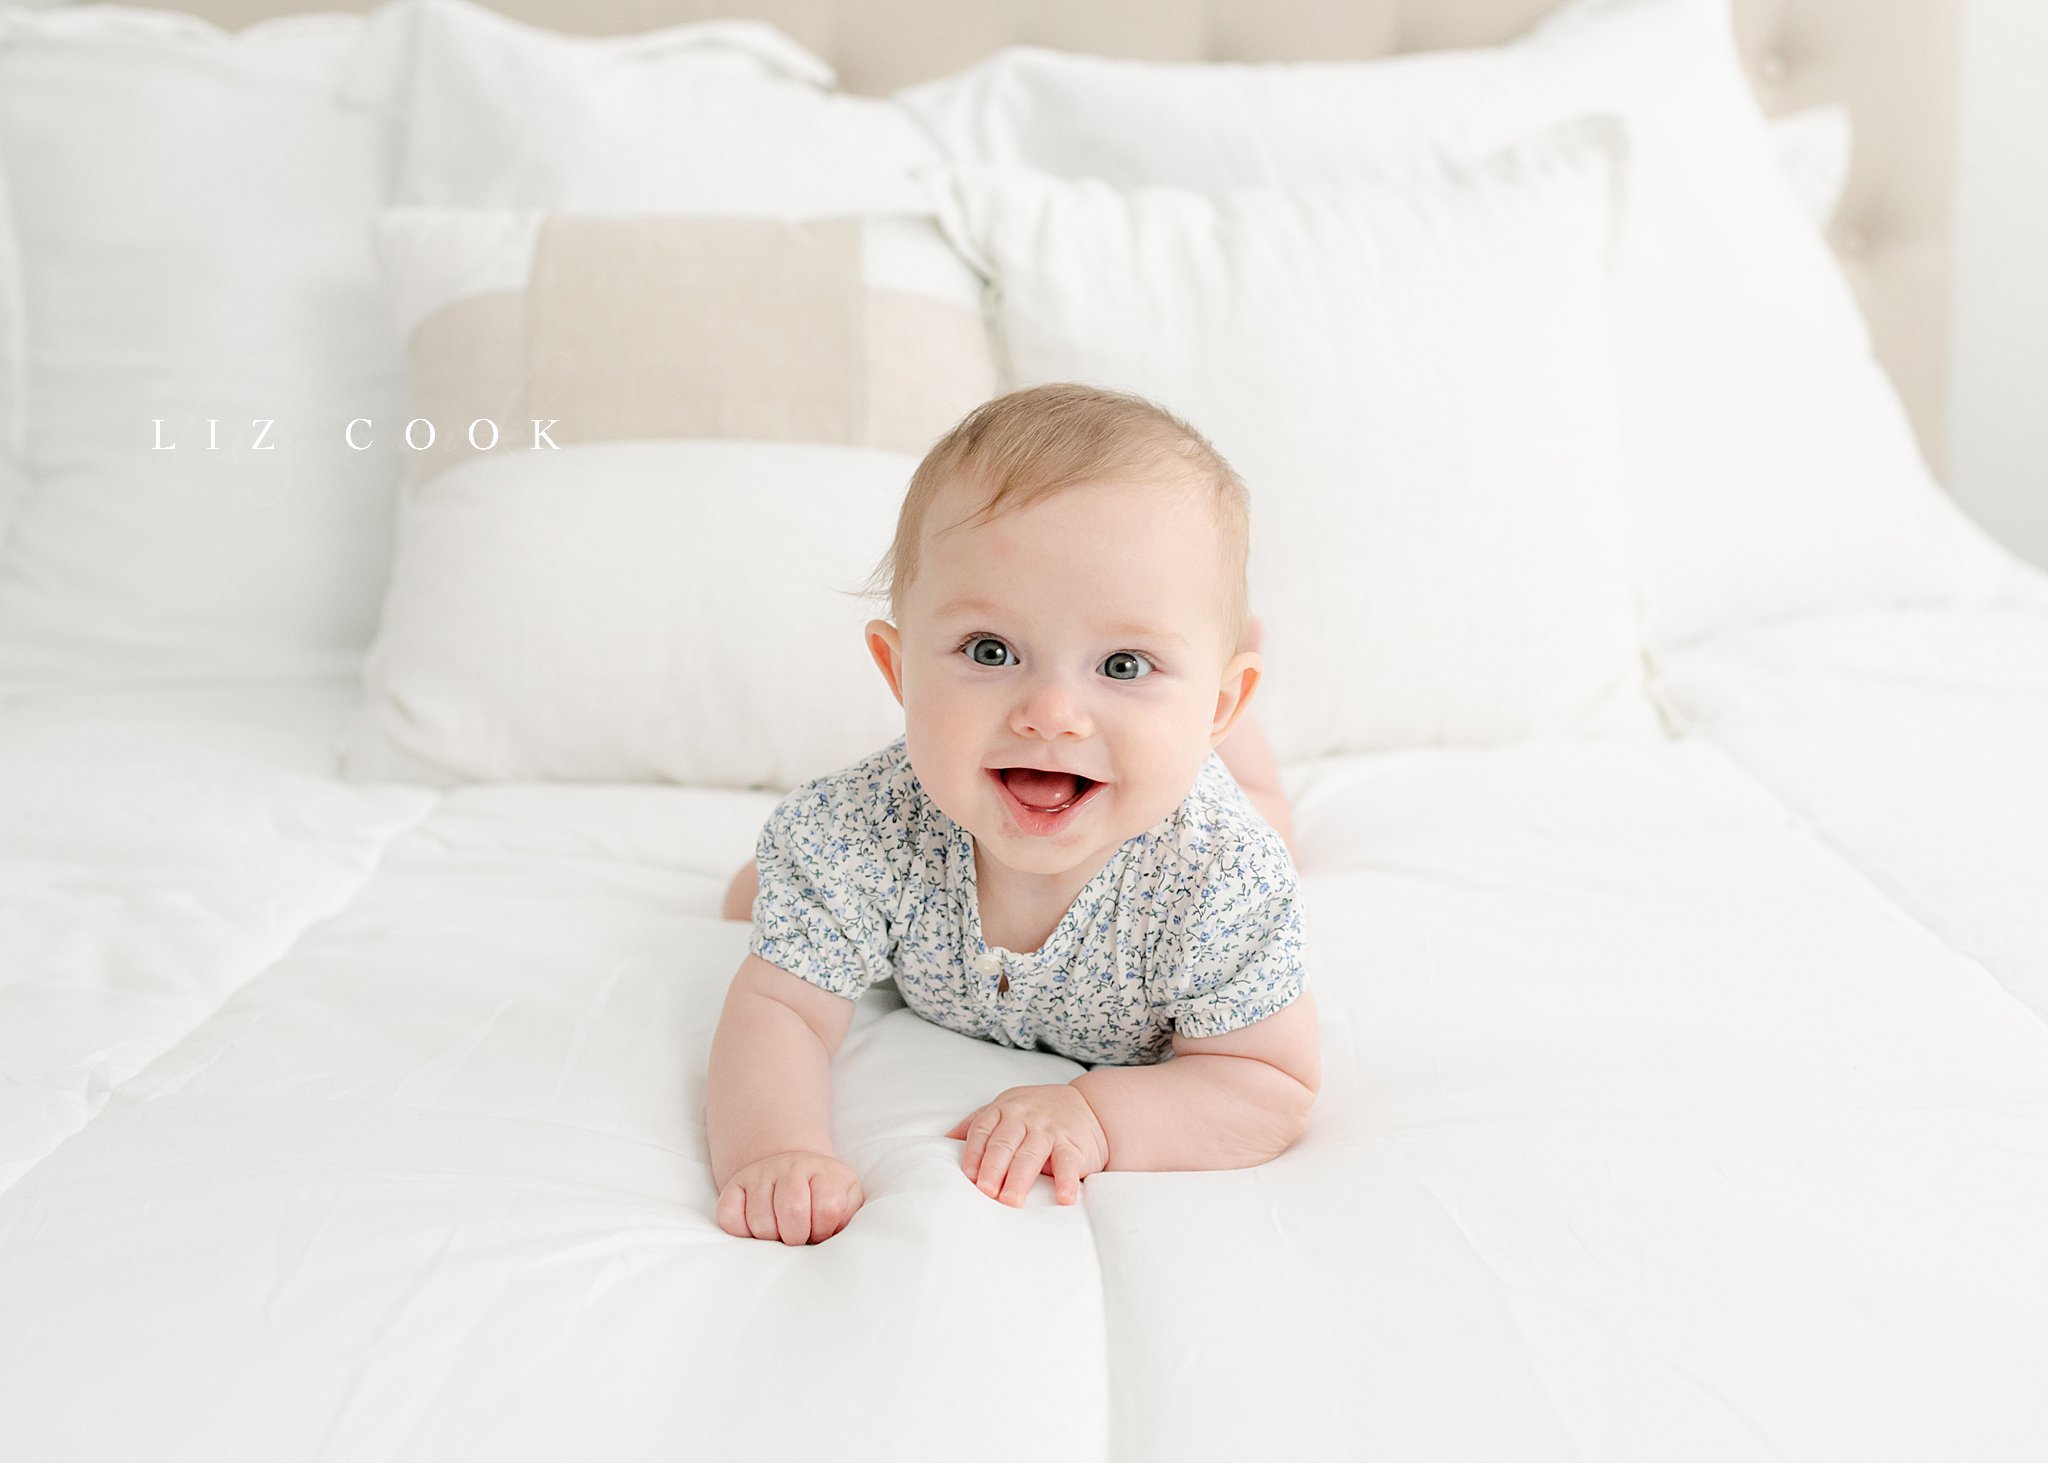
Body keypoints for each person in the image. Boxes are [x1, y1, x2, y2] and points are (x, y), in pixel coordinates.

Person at [703, 383, 1320, 1246]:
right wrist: (776, 1148)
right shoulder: (856, 832)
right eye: (991, 650)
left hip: (1196, 799)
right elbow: (780, 1010)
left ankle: (1227, 733)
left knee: (1267, 815)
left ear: (1220, 699)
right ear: (899, 669)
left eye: (1124, 663)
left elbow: (1269, 1085)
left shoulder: (1222, 877)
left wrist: (1097, 1115)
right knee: (755, 896)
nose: (1051, 713)